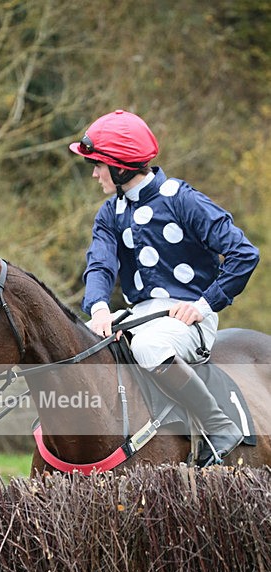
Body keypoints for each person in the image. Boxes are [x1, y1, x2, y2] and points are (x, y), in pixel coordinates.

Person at [69, 109, 260, 466]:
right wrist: (98, 308)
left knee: (149, 346)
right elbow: (100, 265)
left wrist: (203, 304)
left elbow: (244, 254)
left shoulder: (183, 200)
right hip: (139, 315)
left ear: (121, 167)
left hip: (189, 318)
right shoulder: (109, 213)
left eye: (98, 165)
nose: (95, 173)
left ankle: (219, 426)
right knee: (82, 345)